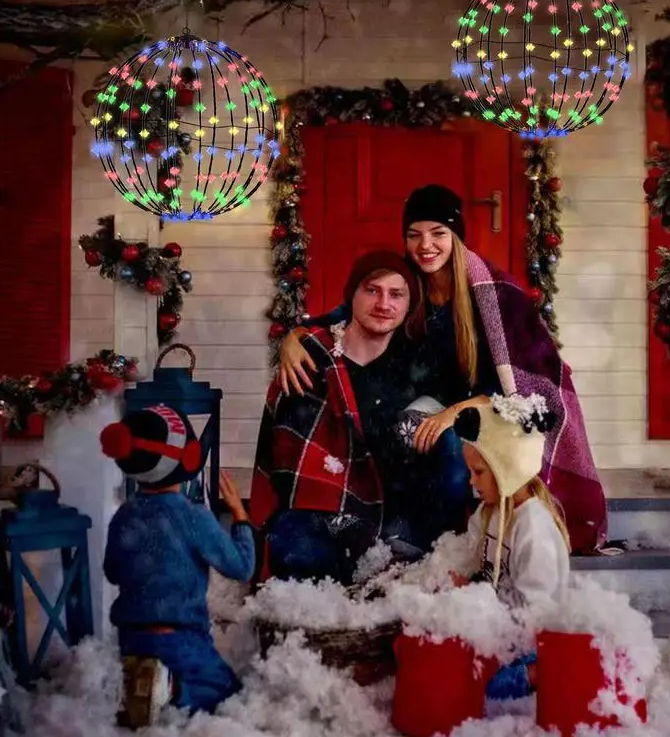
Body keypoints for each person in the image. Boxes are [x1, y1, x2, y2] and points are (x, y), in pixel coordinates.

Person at [278, 184, 607, 554]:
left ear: (456, 237)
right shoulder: (407, 283)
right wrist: (297, 334)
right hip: (433, 402)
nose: (425, 245)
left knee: (449, 444)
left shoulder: (493, 293)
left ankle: (451, 549)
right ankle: (397, 539)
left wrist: (452, 414)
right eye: (414, 235)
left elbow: (521, 384)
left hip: (492, 408)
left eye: (438, 234)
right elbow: (348, 315)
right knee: (399, 426)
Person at [250, 250, 472, 584]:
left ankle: (391, 570)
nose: (384, 303)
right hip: (324, 509)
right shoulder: (311, 357)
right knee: (291, 546)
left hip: (394, 510)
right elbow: (289, 460)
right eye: (372, 290)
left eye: (396, 294)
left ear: (409, 304)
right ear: (351, 295)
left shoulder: (417, 365)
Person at [100, 404, 255, 728]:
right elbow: (241, 567)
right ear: (185, 459)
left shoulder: (123, 515)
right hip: (179, 640)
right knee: (227, 690)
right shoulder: (193, 516)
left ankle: (138, 683)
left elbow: (112, 571)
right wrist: (240, 516)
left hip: (130, 639)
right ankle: (170, 687)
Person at [450, 393, 570, 700]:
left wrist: (477, 599)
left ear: (507, 467)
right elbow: (479, 571)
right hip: (497, 631)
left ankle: (541, 676)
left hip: (528, 646)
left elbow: (535, 614)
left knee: (476, 687)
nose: (471, 482)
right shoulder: (488, 514)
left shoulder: (533, 528)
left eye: (478, 472)